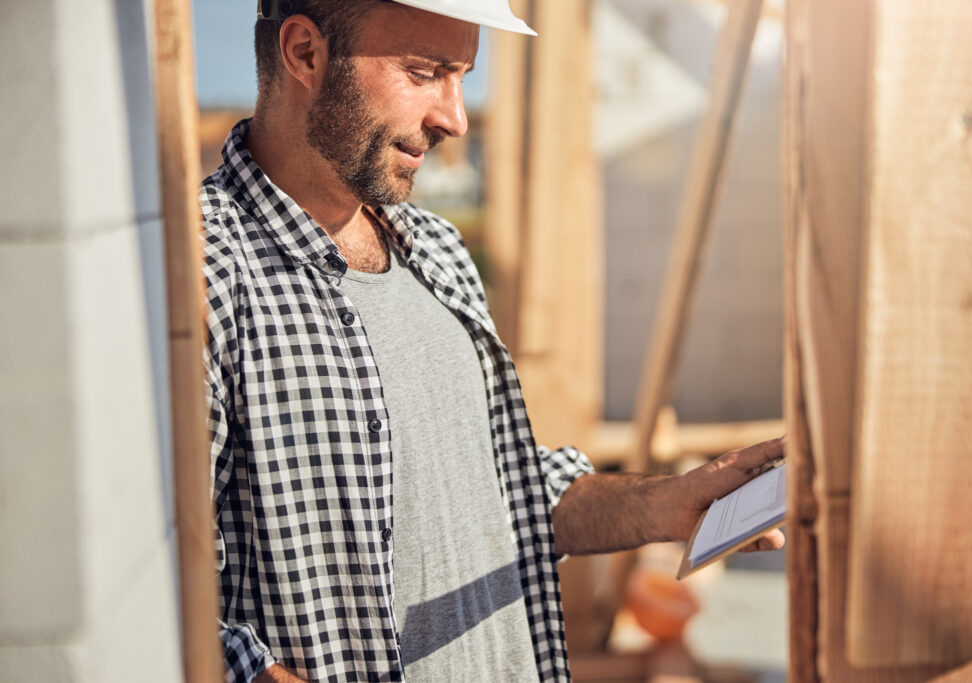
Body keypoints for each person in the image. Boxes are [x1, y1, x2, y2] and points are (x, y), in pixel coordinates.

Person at [201, 1, 785, 681]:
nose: (455, 118)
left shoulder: (439, 254)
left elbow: (498, 486)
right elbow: (158, 592)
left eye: (462, 77)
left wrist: (667, 502)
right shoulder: (205, 273)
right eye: (425, 73)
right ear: (304, 53)